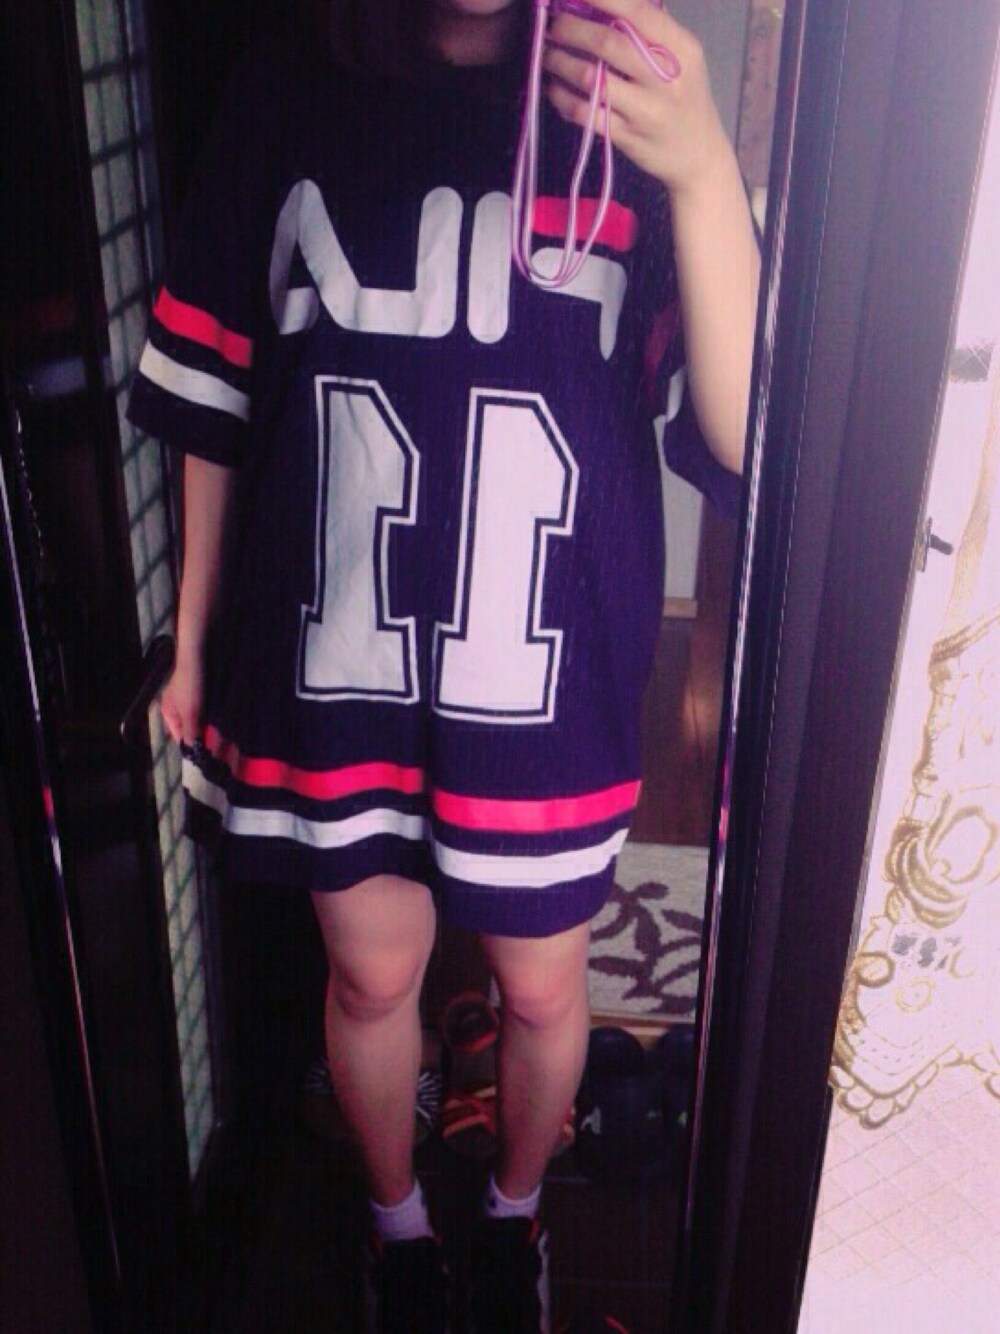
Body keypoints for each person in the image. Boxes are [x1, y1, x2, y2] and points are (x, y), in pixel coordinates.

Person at [127, 1, 760, 1329]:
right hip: (329, 654)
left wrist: (707, 170)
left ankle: (516, 1217)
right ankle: (399, 1227)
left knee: (542, 984)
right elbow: (216, 388)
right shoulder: (284, 82)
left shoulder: (629, 99)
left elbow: (743, 431)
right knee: (369, 978)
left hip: (543, 674)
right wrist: (191, 635)